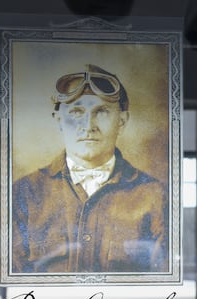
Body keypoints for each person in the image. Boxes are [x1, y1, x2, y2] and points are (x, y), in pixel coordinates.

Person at [12, 64, 167, 273]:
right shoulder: (24, 192)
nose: (88, 125)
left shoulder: (155, 195)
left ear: (121, 121)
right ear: (59, 120)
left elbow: (161, 279)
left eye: (101, 111)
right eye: (76, 111)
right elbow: (16, 278)